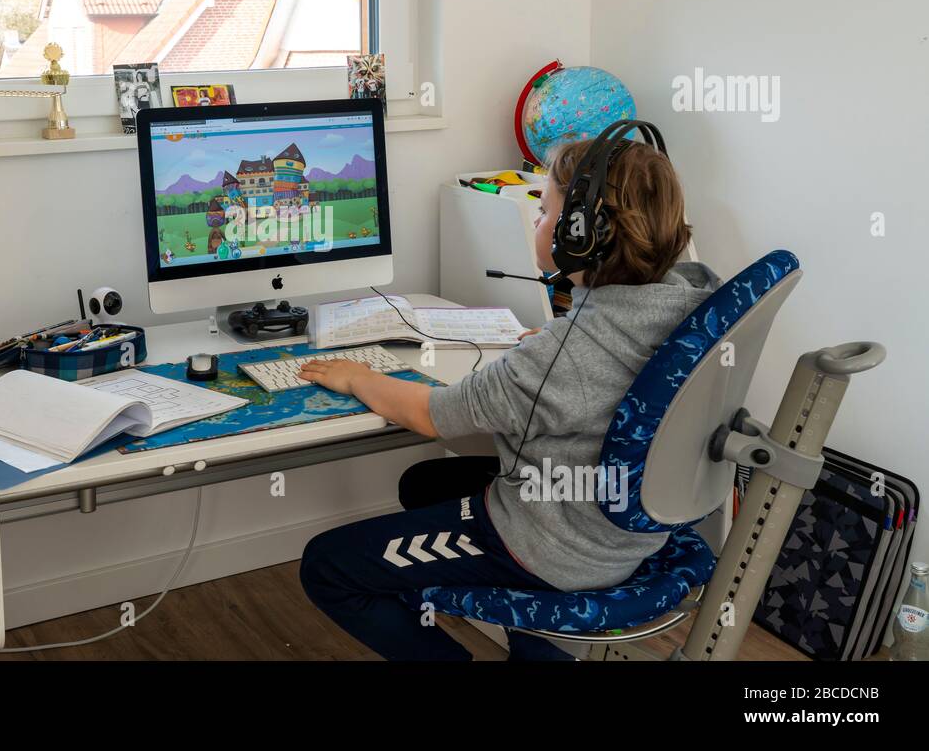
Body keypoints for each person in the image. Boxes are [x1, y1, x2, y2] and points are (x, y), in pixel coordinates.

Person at [297, 136, 722, 660]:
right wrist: (556, 346)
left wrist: (358, 376)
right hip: (623, 528)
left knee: (327, 565)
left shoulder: (565, 355)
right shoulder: (693, 303)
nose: (539, 223)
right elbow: (591, 366)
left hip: (555, 549)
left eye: (545, 212)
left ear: (581, 237)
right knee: (425, 483)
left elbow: (434, 415)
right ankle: (538, 647)